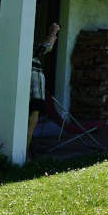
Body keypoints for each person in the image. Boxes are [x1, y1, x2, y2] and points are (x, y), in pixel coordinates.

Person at [26, 21, 60, 153]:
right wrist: (53, 32)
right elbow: (45, 47)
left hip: (36, 90)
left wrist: (53, 33)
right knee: (31, 121)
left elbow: (45, 47)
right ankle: (25, 152)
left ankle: (26, 151)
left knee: (32, 120)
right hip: (33, 90)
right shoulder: (28, 50)